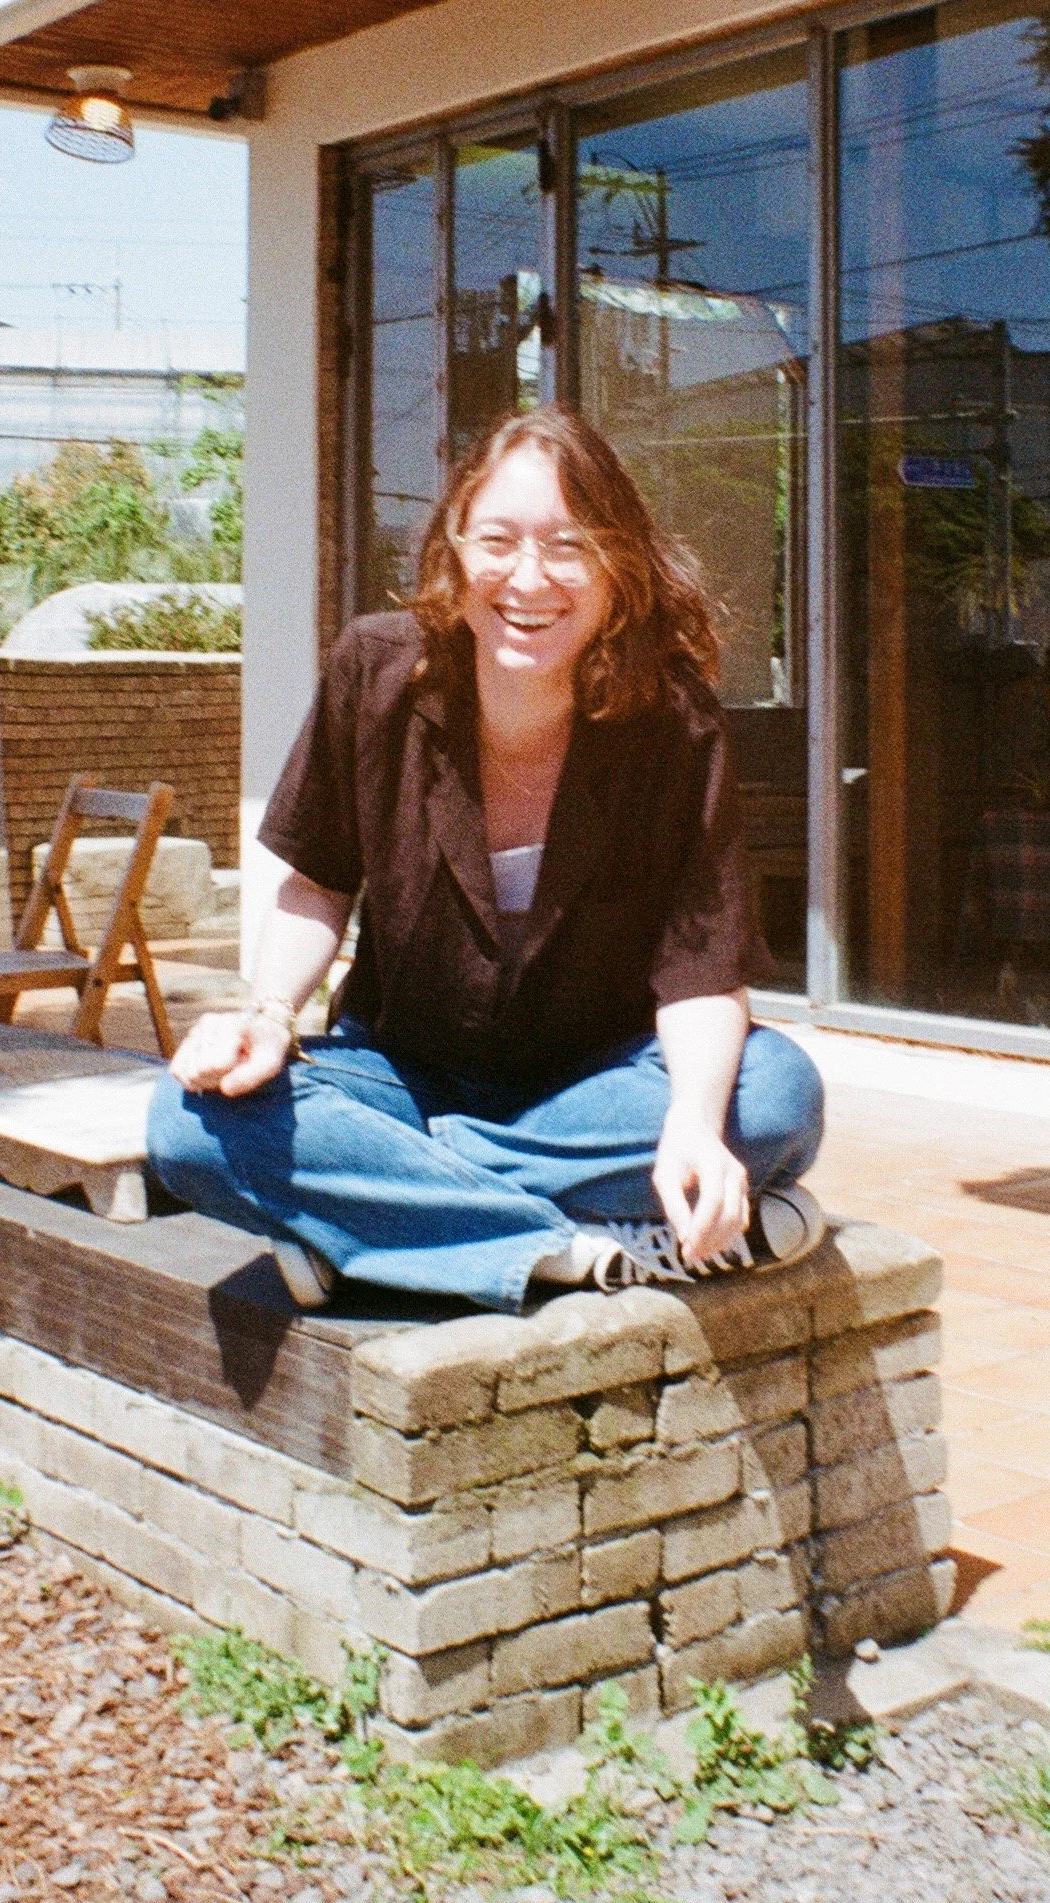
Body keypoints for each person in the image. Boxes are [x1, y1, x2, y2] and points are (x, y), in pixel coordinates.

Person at [144, 405, 827, 1310]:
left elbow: (702, 972)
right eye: (497, 540)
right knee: (187, 1122)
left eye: (569, 545)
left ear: (619, 570)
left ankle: (380, 1219)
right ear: (455, 552)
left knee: (776, 1097)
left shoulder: (673, 720)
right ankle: (575, 1249)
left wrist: (695, 1126)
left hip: (597, 1077)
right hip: (400, 1067)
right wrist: (267, 1017)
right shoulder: (375, 670)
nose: (529, 578)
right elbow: (317, 883)